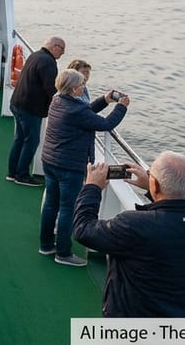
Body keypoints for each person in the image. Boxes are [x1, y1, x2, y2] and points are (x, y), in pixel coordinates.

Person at [74, 152, 185, 317]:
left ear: (155, 185)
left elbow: (83, 229)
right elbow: (176, 218)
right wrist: (153, 189)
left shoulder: (133, 225)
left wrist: (92, 187)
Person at [39, 69, 129, 267]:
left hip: (50, 161)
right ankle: (63, 253)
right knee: (67, 209)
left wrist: (105, 100)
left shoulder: (57, 100)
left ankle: (45, 244)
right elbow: (105, 123)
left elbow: (87, 112)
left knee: (51, 204)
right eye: (81, 85)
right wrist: (121, 107)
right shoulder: (76, 110)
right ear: (73, 89)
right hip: (68, 166)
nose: (83, 87)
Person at [6, 35, 65, 187]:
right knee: (31, 141)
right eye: (62, 50)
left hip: (18, 102)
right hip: (30, 108)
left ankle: (12, 172)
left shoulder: (35, 56)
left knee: (19, 138)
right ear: (54, 47)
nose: (62, 53)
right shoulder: (48, 62)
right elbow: (51, 88)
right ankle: (22, 174)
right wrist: (62, 104)